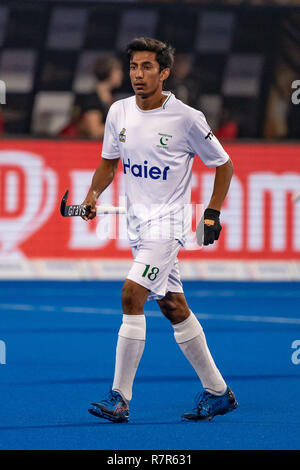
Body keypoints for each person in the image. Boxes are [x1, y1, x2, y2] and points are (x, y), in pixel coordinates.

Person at [82, 37, 237, 423]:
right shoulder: (118, 112)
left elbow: (224, 165)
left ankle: (119, 397)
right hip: (137, 226)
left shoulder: (186, 118)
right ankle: (218, 392)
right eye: (133, 66)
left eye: (147, 67)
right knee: (173, 306)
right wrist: (92, 194)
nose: (138, 74)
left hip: (167, 226)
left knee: (131, 295)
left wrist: (212, 213)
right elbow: (107, 163)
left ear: (163, 73)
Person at [59, 56, 123, 139]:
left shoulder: (111, 98)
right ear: (108, 73)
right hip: (82, 147)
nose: (121, 74)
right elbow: (94, 131)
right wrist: (123, 129)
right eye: (118, 71)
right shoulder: (93, 99)